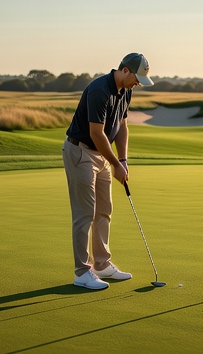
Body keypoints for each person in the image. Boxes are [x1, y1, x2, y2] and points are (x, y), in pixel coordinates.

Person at [64, 52, 153, 290]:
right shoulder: (99, 90)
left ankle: (102, 264)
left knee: (104, 210)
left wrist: (122, 160)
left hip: (102, 156)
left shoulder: (126, 90)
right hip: (81, 152)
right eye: (137, 78)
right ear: (125, 70)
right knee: (85, 213)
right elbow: (96, 133)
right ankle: (82, 272)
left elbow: (122, 125)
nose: (138, 83)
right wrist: (114, 163)